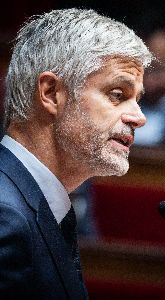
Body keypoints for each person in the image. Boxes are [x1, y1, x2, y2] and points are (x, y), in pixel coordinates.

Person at [0, 8, 152, 299]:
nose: (138, 117)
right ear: (51, 93)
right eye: (118, 95)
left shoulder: (35, 201)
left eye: (138, 99)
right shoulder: (6, 214)